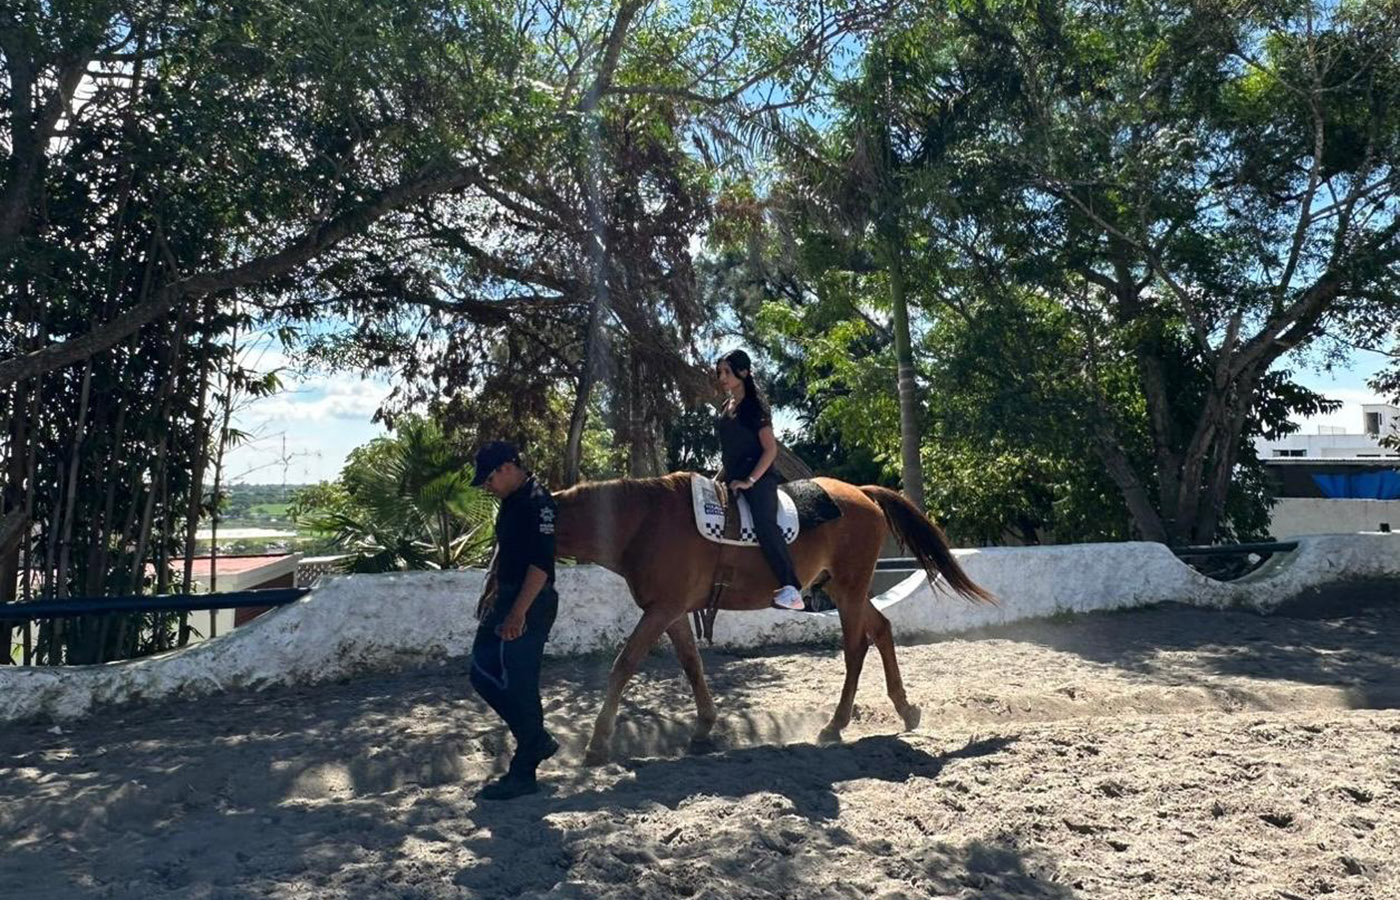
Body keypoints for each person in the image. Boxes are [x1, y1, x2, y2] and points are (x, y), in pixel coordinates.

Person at [468, 439, 560, 800]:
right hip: (505, 598)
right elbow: (507, 553)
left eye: (489, 479)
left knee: (520, 684)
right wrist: (494, 592)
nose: (487, 487)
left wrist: (518, 613)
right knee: (481, 673)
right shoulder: (511, 502)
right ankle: (535, 739)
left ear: (507, 468)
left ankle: (524, 772)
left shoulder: (539, 504)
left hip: (530, 604)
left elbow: (541, 566)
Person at [714, 349, 804, 610]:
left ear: (743, 372)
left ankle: (792, 588)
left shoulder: (755, 408)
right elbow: (730, 453)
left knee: (765, 524)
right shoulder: (725, 408)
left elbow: (770, 450)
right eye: (720, 372)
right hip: (731, 478)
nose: (722, 377)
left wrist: (750, 481)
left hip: (759, 480)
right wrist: (718, 479)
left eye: (727, 372)